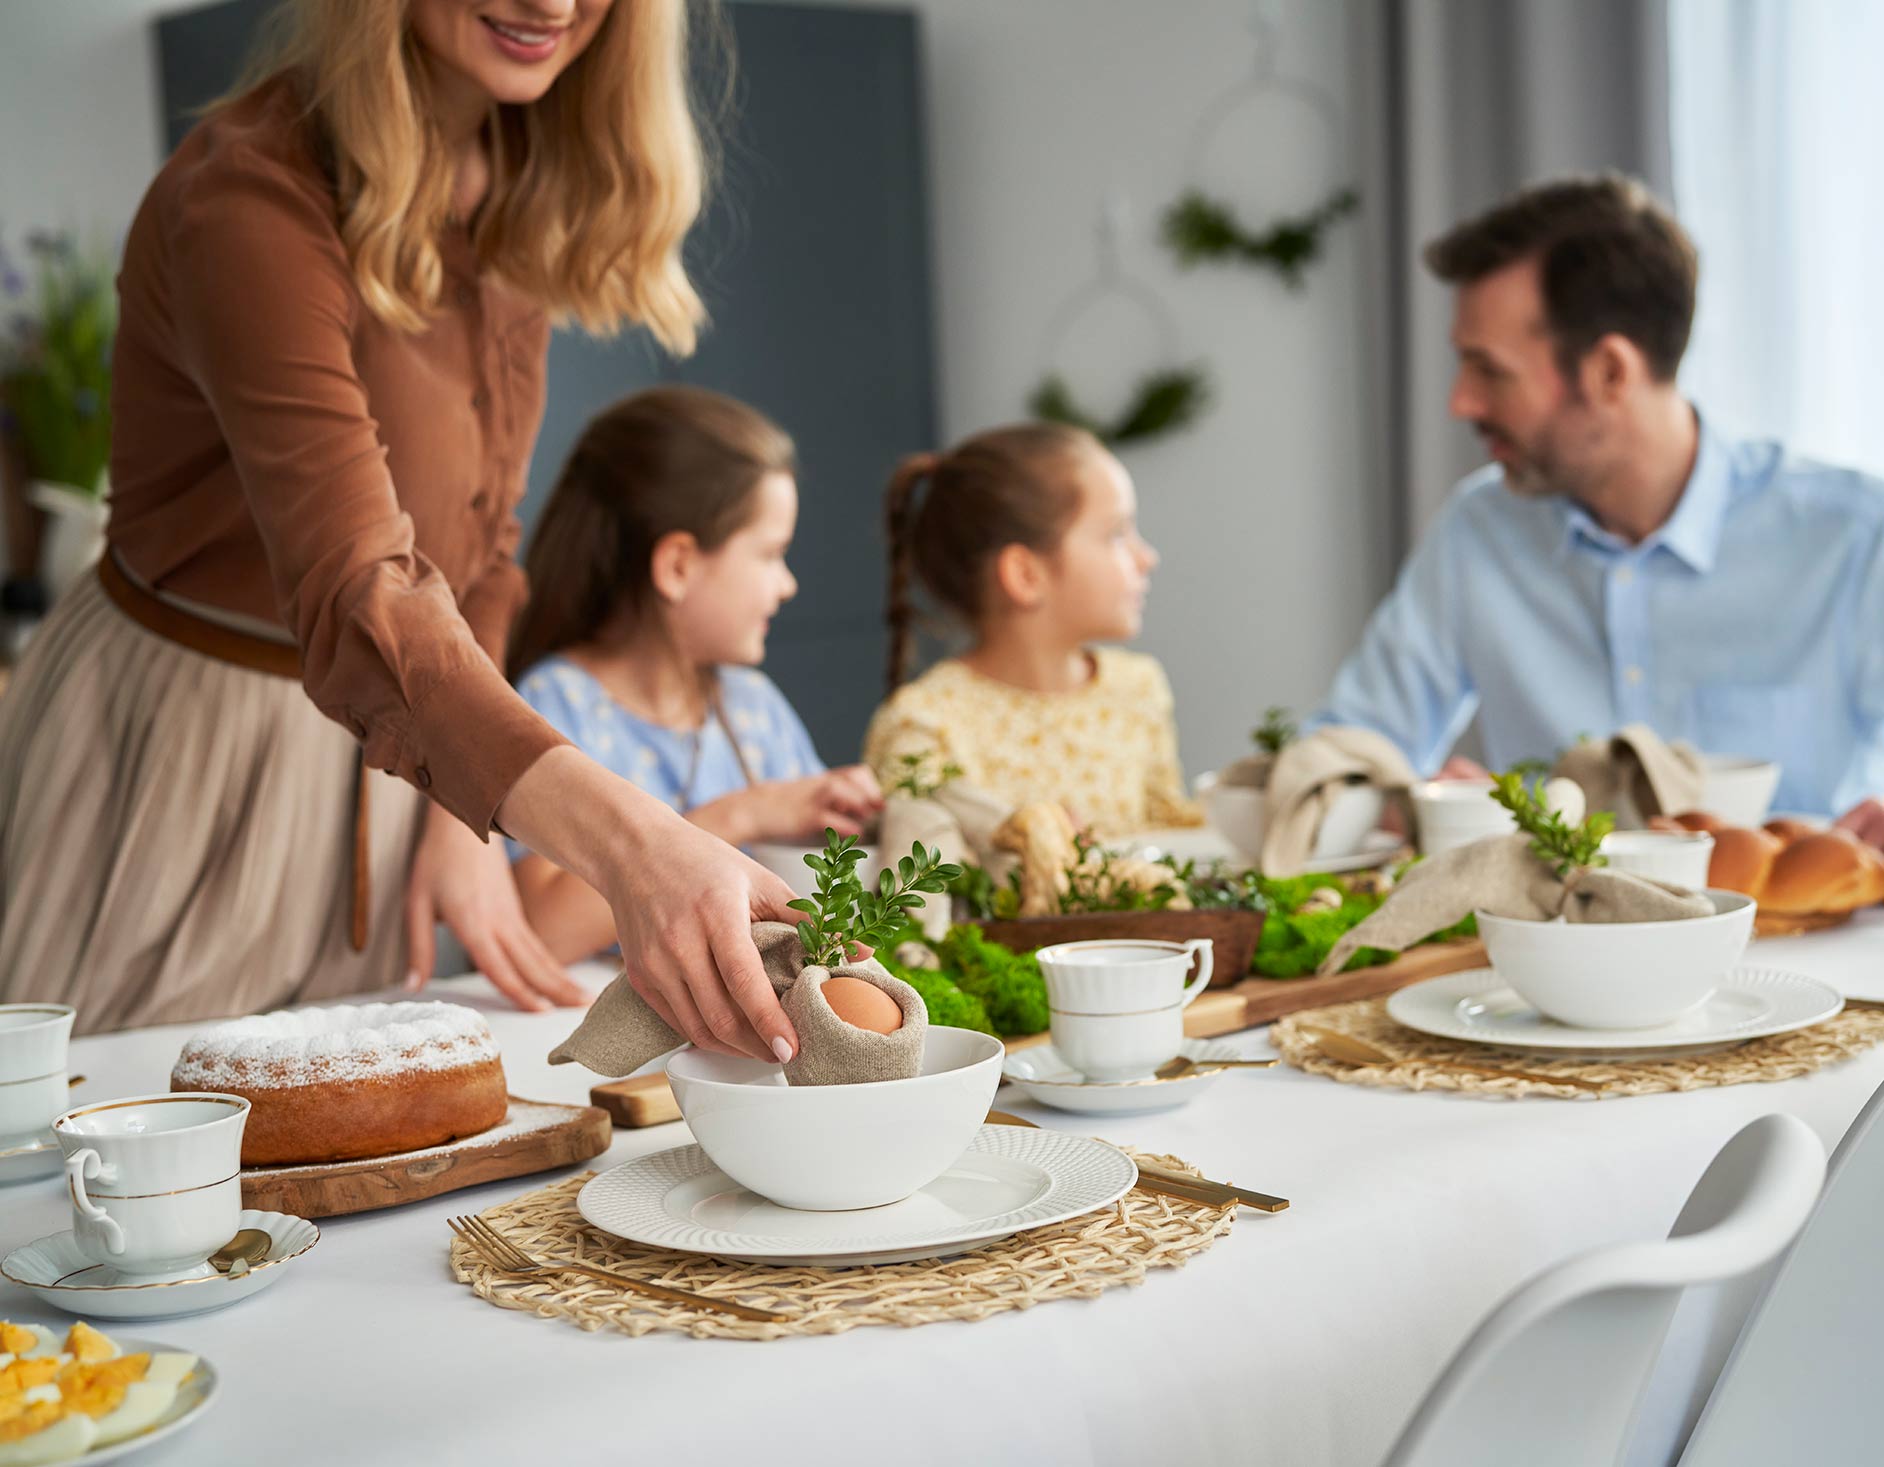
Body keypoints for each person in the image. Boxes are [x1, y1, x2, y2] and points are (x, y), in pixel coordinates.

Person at [0, 0, 805, 1063]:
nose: (552, 5)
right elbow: (359, 590)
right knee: (123, 1151)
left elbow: (479, 553)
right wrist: (635, 845)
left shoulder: (515, 186)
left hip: (397, 754)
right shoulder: (246, 199)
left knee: (351, 1163)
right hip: (192, 757)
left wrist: (454, 810)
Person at [1310, 174, 1884, 842]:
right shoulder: (1479, 533)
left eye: (1489, 370)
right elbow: (1341, 748)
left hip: (1801, 945)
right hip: (1544, 943)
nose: (1460, 402)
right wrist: (1412, 800)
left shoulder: (1853, 537)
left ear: (1611, 371)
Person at [504, 387, 881, 961]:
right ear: (678, 565)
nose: (788, 584)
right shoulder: (554, 705)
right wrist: (741, 813)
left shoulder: (752, 706)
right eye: (770, 554)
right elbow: (540, 937)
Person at [863, 423, 1201, 836]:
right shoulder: (926, 722)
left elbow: (1169, 836)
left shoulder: (1139, 688)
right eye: (1116, 534)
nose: (1147, 557)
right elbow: (920, 879)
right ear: (1025, 575)